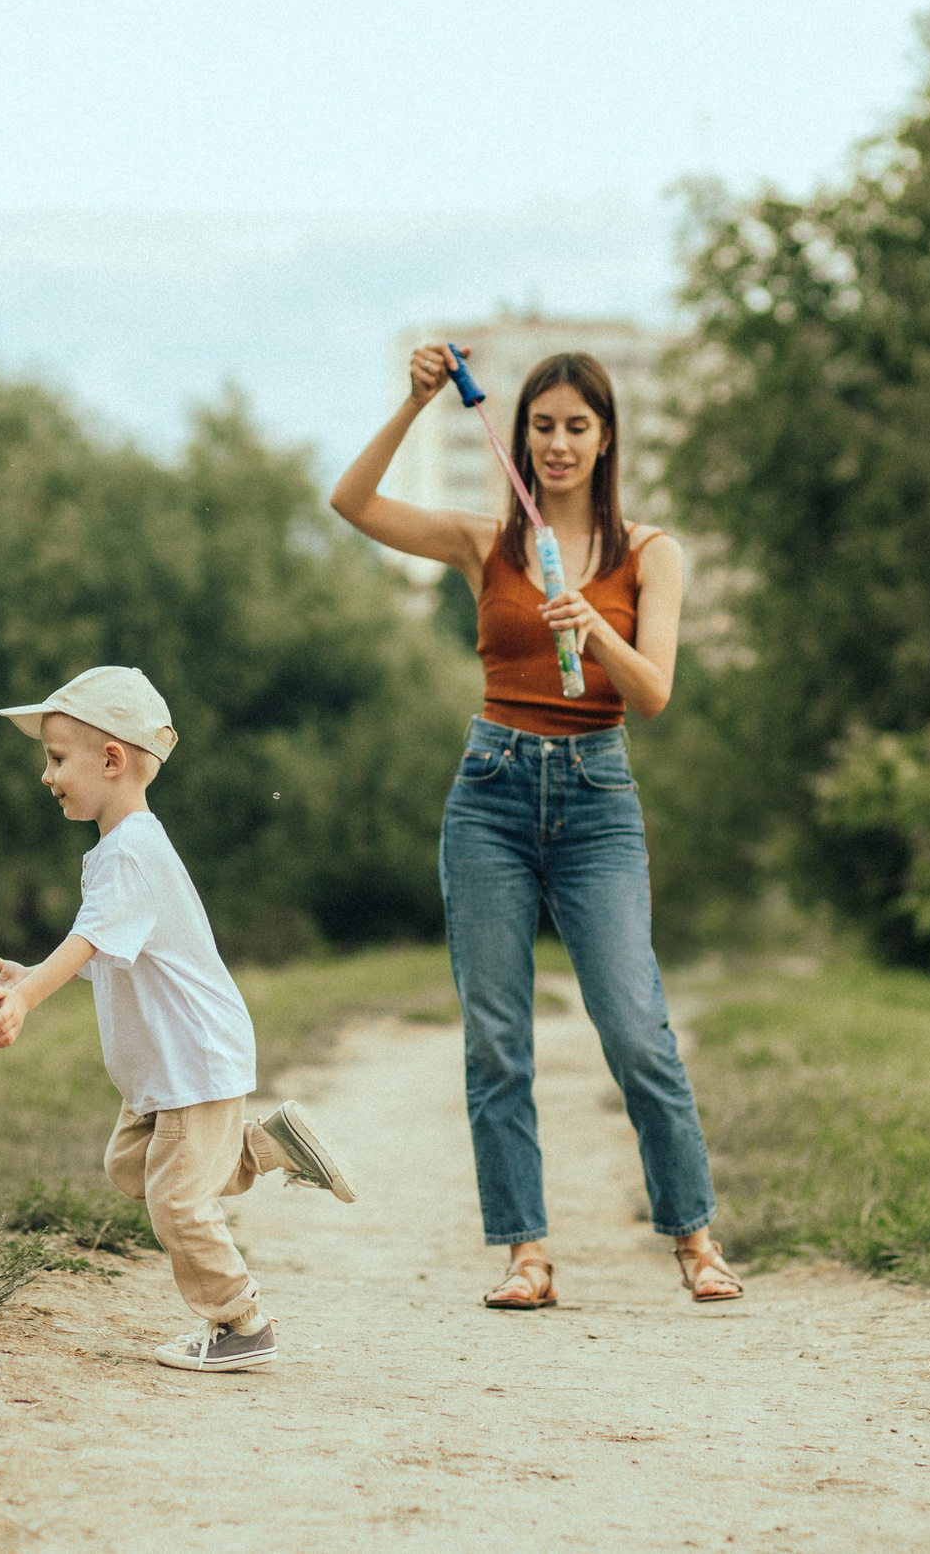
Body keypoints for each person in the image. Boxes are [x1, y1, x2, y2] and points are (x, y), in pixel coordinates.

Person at [329, 346, 742, 1310]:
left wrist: (593, 626)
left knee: (637, 1029)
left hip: (598, 798)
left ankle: (694, 1238)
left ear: (605, 441)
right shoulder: (488, 543)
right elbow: (352, 504)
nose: (557, 444)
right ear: (521, 436)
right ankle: (526, 1253)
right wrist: (415, 402)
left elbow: (656, 694)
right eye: (542, 426)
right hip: (493, 792)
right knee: (495, 1039)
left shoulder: (652, 553)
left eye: (577, 427)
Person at [0, 664, 358, 1371]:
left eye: (56, 759)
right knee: (131, 1166)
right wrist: (34, 973)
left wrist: (28, 996)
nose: (46, 776)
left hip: (193, 1060)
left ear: (111, 759)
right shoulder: (123, 849)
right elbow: (109, 947)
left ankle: (243, 1322)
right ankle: (272, 1146)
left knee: (176, 1203)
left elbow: (87, 939)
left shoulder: (133, 852)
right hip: (167, 1067)